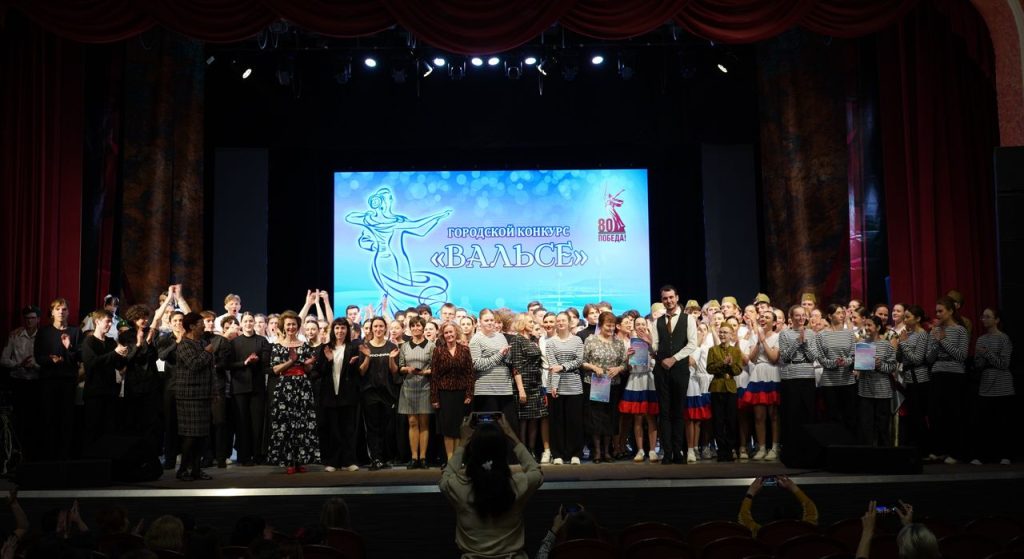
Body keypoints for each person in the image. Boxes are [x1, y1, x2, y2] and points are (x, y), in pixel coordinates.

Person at [439, 417, 543, 559]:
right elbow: (536, 472)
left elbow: (445, 476)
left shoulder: (459, 486)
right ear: (504, 451)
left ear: (472, 450)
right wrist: (513, 437)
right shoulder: (516, 484)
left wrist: (463, 443)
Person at [650, 285, 699, 464]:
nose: (668, 301)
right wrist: (649, 344)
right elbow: (655, 347)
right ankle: (667, 452)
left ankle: (678, 451)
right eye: (665, 298)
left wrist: (674, 359)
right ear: (662, 300)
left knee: (678, 411)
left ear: (677, 298)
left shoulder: (688, 319)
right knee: (664, 411)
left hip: (679, 369)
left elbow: (692, 344)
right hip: (661, 370)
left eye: (671, 297)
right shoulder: (657, 322)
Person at [268, 311, 321, 473]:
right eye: (288, 324)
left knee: (302, 422)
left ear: (298, 327)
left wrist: (309, 363)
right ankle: (288, 461)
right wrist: (291, 361)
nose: (291, 327)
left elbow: (308, 369)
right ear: (283, 326)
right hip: (285, 386)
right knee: (286, 423)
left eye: (294, 324)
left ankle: (300, 460)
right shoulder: (277, 345)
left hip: (302, 386)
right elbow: (275, 369)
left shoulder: (304, 345)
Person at [34, 298, 82, 459]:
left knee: (66, 418)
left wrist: (69, 347)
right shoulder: (44, 332)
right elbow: (38, 357)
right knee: (49, 417)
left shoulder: (75, 331)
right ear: (52, 312)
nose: (61, 312)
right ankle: (49, 454)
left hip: (68, 381)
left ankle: (65, 455)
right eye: (57, 309)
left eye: (64, 309)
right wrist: (51, 360)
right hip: (48, 380)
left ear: (68, 312)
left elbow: (79, 357)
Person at [581, 311, 629, 464]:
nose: (611, 329)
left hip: (613, 384)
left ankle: (607, 451)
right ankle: (597, 451)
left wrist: (618, 369)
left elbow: (624, 363)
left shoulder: (618, 342)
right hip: (594, 384)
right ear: (601, 325)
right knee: (595, 418)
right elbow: (582, 361)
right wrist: (594, 367)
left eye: (613, 326)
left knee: (610, 418)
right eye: (608, 326)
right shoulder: (591, 340)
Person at [314, 318, 361, 472]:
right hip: (329, 393)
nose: (340, 331)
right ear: (333, 330)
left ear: (347, 330)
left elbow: (358, 373)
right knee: (332, 429)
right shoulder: (326, 348)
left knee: (348, 428)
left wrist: (353, 365)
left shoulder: (353, 348)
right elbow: (320, 371)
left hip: (347, 393)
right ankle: (333, 461)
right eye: (337, 328)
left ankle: (348, 461)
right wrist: (329, 361)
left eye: (343, 328)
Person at [175, 312, 216, 481]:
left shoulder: (202, 342)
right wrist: (207, 352)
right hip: (189, 396)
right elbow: (194, 364)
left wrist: (213, 391)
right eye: (200, 323)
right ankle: (183, 470)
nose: (204, 326)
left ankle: (196, 470)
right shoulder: (184, 345)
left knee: (201, 436)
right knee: (190, 436)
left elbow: (209, 369)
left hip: (203, 395)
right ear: (191, 326)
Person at [970, 308, 1013, 465]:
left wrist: (986, 353)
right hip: (986, 385)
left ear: (997, 320)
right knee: (985, 424)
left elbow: (1004, 364)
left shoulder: (1004, 338)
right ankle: (984, 456)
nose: (984, 319)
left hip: (1002, 386)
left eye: (988, 317)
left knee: (1003, 423)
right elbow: (978, 364)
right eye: (983, 317)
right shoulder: (981, 339)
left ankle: (1005, 455)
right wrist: (981, 359)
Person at [930, 296, 969, 464]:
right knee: (937, 414)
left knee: (953, 413)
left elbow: (962, 355)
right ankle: (940, 450)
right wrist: (935, 342)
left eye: (941, 311)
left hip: (954, 374)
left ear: (951, 311)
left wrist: (943, 340)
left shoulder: (960, 330)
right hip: (937, 372)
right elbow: (930, 358)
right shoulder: (935, 330)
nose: (938, 314)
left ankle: (955, 451)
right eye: (936, 311)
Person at [469, 309, 521, 434]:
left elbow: (506, 360)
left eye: (492, 320)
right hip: (486, 390)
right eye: (486, 320)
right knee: (490, 428)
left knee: (510, 426)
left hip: (505, 388)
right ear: (480, 321)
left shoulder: (501, 336)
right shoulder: (476, 339)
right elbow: (477, 364)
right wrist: (499, 355)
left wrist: (507, 355)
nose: (490, 323)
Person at [82, 310, 129, 446]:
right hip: (95, 392)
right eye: (107, 321)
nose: (109, 324)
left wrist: (123, 355)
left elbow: (119, 365)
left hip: (110, 391)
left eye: (111, 322)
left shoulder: (110, 342)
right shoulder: (89, 341)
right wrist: (115, 353)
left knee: (108, 429)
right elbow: (92, 364)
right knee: (93, 429)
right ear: (97, 322)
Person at [230, 312, 271, 467]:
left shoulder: (262, 340)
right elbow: (229, 364)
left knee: (257, 423)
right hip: (239, 387)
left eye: (250, 321)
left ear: (254, 323)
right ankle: (244, 456)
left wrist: (258, 360)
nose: (248, 323)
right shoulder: (235, 342)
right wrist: (245, 363)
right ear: (241, 324)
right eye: (245, 321)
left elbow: (267, 363)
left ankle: (258, 454)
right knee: (242, 423)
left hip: (257, 387)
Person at [431, 321, 476, 464]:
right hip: (444, 394)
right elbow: (434, 376)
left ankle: (457, 460)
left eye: (451, 332)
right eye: (446, 333)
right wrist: (434, 397)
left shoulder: (465, 350)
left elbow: (470, 374)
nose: (449, 335)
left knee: (459, 429)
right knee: (447, 429)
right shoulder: (438, 351)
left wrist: (469, 394)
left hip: (461, 394)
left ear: (456, 332)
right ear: (443, 335)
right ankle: (450, 460)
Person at [359, 316, 400, 470]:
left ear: (385, 328)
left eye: (381, 326)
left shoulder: (391, 346)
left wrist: (391, 359)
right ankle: (375, 458)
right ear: (371, 329)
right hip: (370, 393)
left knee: (387, 427)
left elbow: (395, 371)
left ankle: (385, 458)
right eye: (375, 326)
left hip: (388, 393)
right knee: (373, 427)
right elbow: (361, 372)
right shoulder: (365, 347)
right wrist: (367, 357)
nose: (378, 329)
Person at [895, 305, 935, 459]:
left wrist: (904, 344)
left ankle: (924, 450)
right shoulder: (908, 334)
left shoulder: (922, 334)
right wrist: (900, 344)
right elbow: (900, 357)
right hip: (908, 379)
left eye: (908, 317)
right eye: (904, 317)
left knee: (919, 415)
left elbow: (918, 359)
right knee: (912, 415)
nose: (905, 320)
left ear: (917, 319)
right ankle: (915, 449)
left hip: (920, 379)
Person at [507, 313, 549, 462]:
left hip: (535, 384)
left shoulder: (531, 339)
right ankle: (523, 451)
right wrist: (521, 390)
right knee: (523, 420)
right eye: (530, 321)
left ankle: (531, 449)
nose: (533, 324)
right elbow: (516, 366)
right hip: (523, 384)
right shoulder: (517, 340)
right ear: (523, 323)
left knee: (535, 418)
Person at [545, 311, 585, 465]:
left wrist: (563, 367)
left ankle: (575, 453)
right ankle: (558, 454)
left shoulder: (577, 340)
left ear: (569, 323)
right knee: (557, 421)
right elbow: (553, 365)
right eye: (558, 320)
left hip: (574, 385)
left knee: (574, 421)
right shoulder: (551, 342)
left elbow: (579, 360)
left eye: (563, 320)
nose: (560, 323)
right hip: (556, 386)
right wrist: (554, 385)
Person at [778, 305, 816, 462]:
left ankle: (808, 451)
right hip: (791, 377)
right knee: (792, 415)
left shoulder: (811, 334)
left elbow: (813, 357)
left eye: (803, 315)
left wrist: (805, 344)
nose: (801, 318)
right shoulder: (784, 334)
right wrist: (796, 343)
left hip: (807, 376)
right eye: (797, 315)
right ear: (791, 317)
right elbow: (785, 357)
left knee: (808, 414)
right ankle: (791, 452)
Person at [2, 306, 41, 459]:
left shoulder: (43, 335)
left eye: (33, 318)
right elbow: (3, 359)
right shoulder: (15, 335)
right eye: (27, 318)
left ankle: (33, 452)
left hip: (37, 382)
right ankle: (17, 451)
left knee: (35, 418)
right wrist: (19, 364)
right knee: (19, 418)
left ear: (38, 319)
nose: (29, 321)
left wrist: (35, 365)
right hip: (18, 381)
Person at [743, 308, 781, 461]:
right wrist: (758, 341)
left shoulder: (778, 337)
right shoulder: (754, 337)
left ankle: (775, 447)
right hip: (758, 374)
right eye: (762, 317)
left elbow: (773, 358)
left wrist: (764, 340)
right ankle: (762, 447)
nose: (763, 319)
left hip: (772, 374)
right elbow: (751, 359)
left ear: (774, 322)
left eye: (767, 317)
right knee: (759, 416)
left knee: (774, 415)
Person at [813, 304, 857, 435]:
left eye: (842, 313)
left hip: (847, 381)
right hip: (829, 382)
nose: (842, 315)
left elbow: (853, 355)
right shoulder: (821, 335)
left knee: (849, 416)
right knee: (832, 416)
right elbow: (820, 357)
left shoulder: (849, 334)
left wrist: (845, 362)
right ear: (830, 316)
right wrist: (834, 363)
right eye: (838, 313)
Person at [398, 316, 435, 469]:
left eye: (418, 326)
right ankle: (414, 458)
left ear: (423, 328)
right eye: (413, 326)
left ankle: (423, 457)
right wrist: (407, 369)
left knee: (424, 423)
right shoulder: (405, 346)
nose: (415, 328)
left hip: (425, 386)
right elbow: (400, 366)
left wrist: (425, 372)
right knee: (412, 422)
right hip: (408, 387)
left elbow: (435, 368)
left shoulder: (431, 346)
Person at [620, 314, 659, 463]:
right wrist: (628, 357)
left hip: (649, 379)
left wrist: (650, 345)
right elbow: (628, 367)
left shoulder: (653, 341)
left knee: (651, 416)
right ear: (634, 327)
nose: (641, 327)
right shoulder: (630, 342)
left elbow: (657, 357)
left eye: (643, 324)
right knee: (637, 417)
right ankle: (640, 450)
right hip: (635, 379)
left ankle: (652, 450)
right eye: (638, 324)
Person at [858, 316, 898, 446]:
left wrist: (880, 365)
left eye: (869, 325)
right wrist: (858, 364)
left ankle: (884, 453)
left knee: (882, 426)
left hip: (882, 392)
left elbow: (892, 367)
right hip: (865, 391)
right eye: (866, 325)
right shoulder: (863, 344)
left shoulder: (886, 345)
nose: (867, 328)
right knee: (866, 426)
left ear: (878, 327)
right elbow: (859, 367)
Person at [707, 323, 743, 462]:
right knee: (718, 420)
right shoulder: (713, 350)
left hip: (730, 388)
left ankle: (730, 449)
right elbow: (709, 368)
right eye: (721, 332)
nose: (722, 335)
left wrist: (730, 364)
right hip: (717, 387)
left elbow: (738, 370)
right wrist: (723, 363)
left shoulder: (736, 351)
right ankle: (721, 450)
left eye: (725, 332)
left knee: (731, 420)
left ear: (731, 335)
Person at [739, 475, 818, 536]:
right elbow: (811, 510)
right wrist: (794, 488)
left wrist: (750, 493)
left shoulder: (762, 533)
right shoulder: (805, 530)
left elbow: (744, 518)